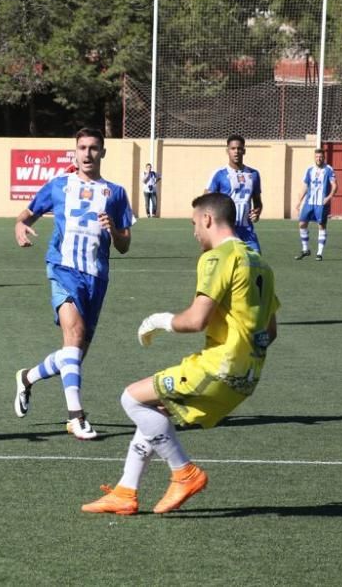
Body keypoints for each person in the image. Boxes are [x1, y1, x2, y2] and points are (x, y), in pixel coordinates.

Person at [82, 192, 279, 515]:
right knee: (152, 410)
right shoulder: (260, 263)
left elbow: (196, 320)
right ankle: (125, 491)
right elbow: (269, 333)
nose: (194, 233)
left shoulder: (217, 257)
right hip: (248, 376)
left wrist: (157, 321)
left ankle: (183, 472)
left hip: (220, 368)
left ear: (207, 219)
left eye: (193, 225)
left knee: (131, 399)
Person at [13, 127, 134, 439]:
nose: (88, 153)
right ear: (75, 152)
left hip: (97, 276)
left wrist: (115, 231)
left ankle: (27, 378)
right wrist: (20, 227)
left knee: (74, 354)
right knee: (74, 334)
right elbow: (25, 214)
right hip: (63, 268)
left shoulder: (116, 193)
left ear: (103, 152)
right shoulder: (58, 186)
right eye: (82, 147)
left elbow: (125, 245)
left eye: (94, 148)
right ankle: (76, 417)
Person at [206, 134, 263, 252]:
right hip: (226, 230)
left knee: (256, 260)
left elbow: (257, 202)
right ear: (227, 151)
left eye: (239, 148)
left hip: (247, 230)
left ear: (244, 151)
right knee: (226, 264)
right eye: (233, 149)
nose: (236, 152)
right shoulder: (219, 174)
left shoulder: (254, 174)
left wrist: (257, 213)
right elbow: (207, 200)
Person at [294, 149, 337, 261]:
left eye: (321, 157)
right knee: (302, 223)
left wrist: (329, 197)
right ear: (314, 157)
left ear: (324, 157)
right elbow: (305, 186)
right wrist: (299, 201)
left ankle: (319, 253)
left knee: (321, 225)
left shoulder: (328, 170)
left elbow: (334, 185)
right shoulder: (310, 170)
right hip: (309, 202)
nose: (319, 159)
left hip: (321, 203)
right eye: (317, 157)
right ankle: (305, 250)